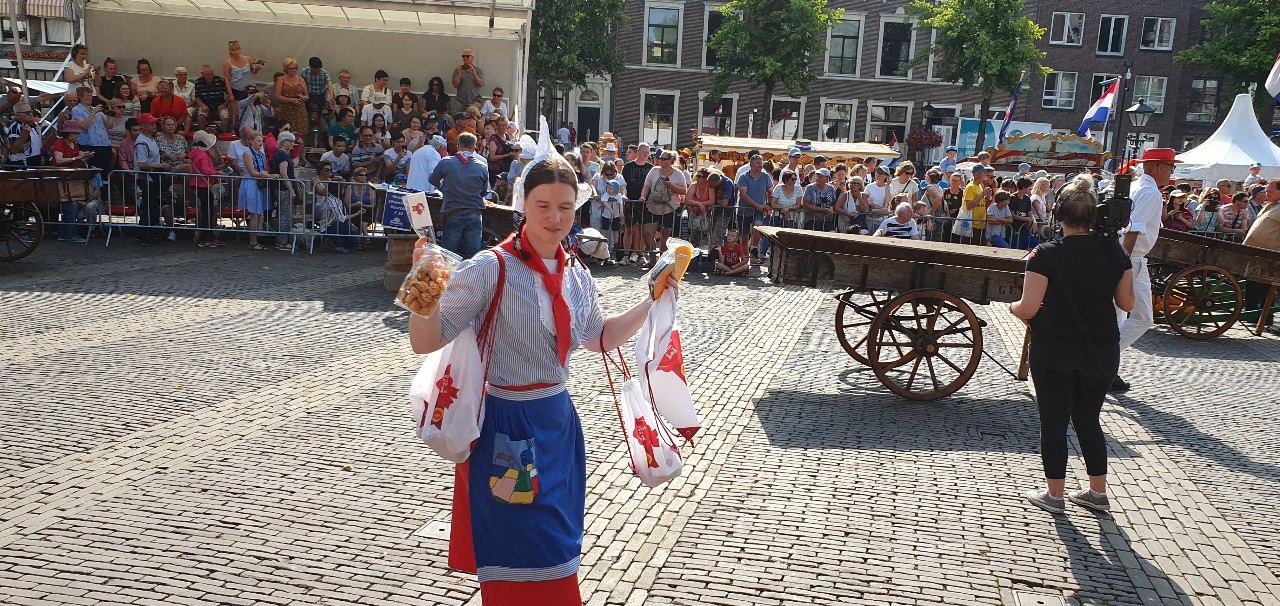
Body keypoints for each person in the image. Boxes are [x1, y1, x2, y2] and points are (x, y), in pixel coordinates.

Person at [408, 124, 670, 603]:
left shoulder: (576, 273)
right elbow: (425, 342)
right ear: (522, 205)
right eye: (543, 205)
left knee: (559, 545)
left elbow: (598, 337)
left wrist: (651, 301)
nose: (555, 217)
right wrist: (424, 280)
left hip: (558, 424)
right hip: (506, 426)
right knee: (522, 548)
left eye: (565, 207)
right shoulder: (490, 268)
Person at [1010, 174, 1135, 515]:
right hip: (1101, 347)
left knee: (1054, 421)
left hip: (1055, 346)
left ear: (1058, 214)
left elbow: (1028, 308)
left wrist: (1012, 308)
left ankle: (1055, 495)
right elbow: (1127, 304)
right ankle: (1097, 492)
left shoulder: (1044, 254)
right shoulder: (1115, 252)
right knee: (1089, 419)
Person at [1113, 148, 1180, 392]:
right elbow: (1133, 230)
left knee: (1118, 316)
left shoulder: (1134, 187)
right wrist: (1122, 265)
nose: (1173, 172)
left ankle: (1106, 368)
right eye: (1171, 167)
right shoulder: (1150, 193)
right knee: (1142, 318)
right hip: (1131, 259)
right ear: (1158, 167)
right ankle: (1103, 361)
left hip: (1125, 256)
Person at [430, 131, 490, 258]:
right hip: (474, 213)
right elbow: (484, 192)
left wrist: (443, 188)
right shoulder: (482, 167)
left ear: (458, 145)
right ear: (474, 147)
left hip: (453, 212)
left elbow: (432, 179)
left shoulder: (446, 162)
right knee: (474, 254)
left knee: (449, 255)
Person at [638, 149, 688, 265]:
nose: (660, 160)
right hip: (652, 207)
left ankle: (662, 262)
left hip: (669, 208)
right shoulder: (654, 170)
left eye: (664, 159)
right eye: (660, 158)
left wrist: (671, 185)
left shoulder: (678, 174)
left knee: (665, 236)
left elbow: (684, 191)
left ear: (671, 161)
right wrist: (643, 196)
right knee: (647, 233)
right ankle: (652, 260)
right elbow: (647, 185)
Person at [131, 113, 169, 245]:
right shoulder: (142, 142)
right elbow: (142, 164)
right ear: (143, 126)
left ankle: (142, 233)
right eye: (151, 123)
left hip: (152, 177)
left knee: (151, 205)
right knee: (149, 206)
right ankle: (146, 236)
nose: (154, 125)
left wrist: (162, 160)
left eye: (154, 122)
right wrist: (161, 165)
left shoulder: (150, 140)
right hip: (146, 178)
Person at [49, 123, 90, 241]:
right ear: (68, 133)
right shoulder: (60, 143)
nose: (77, 135)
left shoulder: (74, 144)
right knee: (70, 205)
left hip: (71, 178)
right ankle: (70, 234)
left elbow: (76, 161)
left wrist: (84, 157)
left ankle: (65, 233)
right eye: (74, 133)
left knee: (72, 205)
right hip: (60, 178)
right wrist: (76, 158)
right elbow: (58, 160)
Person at [237, 132, 277, 250]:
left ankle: (255, 240)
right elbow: (252, 172)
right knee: (254, 213)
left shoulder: (261, 154)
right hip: (251, 183)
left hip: (259, 184)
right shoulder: (247, 153)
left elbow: (264, 169)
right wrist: (267, 175)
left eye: (261, 141)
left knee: (259, 213)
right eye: (258, 141)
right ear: (251, 141)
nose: (261, 143)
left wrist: (266, 174)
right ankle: (253, 242)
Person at [188, 130, 226, 248]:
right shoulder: (203, 155)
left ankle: (205, 237)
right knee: (207, 212)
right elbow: (206, 170)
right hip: (204, 185)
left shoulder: (196, 153)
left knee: (206, 212)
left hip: (199, 184)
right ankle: (206, 237)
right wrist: (218, 173)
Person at [735, 154, 774, 259]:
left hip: (759, 210)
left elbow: (771, 191)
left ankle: (754, 248)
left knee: (758, 226)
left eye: (761, 163)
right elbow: (743, 195)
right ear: (751, 164)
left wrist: (769, 204)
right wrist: (756, 205)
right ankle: (744, 259)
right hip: (744, 211)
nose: (760, 165)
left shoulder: (766, 176)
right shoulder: (743, 177)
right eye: (758, 163)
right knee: (744, 238)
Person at [273, 131, 303, 247]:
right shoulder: (282, 155)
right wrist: (291, 189)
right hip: (283, 189)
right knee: (284, 215)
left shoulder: (283, 155)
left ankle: (283, 240)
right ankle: (282, 241)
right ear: (283, 142)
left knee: (285, 214)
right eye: (289, 141)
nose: (292, 143)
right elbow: (284, 174)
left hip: (283, 188)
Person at [224, 40, 266, 118]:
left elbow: (253, 72)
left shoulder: (248, 59)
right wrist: (230, 94)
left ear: (240, 49)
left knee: (254, 108)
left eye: (237, 49)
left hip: (250, 88)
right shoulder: (227, 63)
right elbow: (227, 79)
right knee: (239, 112)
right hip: (237, 90)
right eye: (233, 50)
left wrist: (257, 69)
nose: (236, 52)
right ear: (230, 51)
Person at [274, 59, 309, 140]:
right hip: (286, 110)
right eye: (291, 68)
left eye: (295, 68)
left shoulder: (301, 79)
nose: (294, 70)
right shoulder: (281, 80)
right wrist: (291, 100)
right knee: (285, 132)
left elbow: (307, 96)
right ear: (286, 69)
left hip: (299, 111)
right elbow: (278, 96)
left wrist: (303, 97)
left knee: (300, 134)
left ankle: (299, 147)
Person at [5, 103, 47, 168]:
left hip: (34, 162)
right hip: (23, 164)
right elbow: (14, 150)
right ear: (18, 116)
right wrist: (24, 134)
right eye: (27, 113)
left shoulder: (33, 125)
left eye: (31, 112)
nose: (30, 114)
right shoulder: (15, 127)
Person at [193, 65, 231, 133]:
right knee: (201, 116)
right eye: (207, 75)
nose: (210, 76)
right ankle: (201, 133)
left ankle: (224, 134)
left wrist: (224, 104)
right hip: (205, 105)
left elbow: (230, 95)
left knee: (225, 116)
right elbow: (197, 97)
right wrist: (202, 105)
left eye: (211, 74)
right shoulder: (198, 82)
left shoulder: (220, 80)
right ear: (202, 74)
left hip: (219, 105)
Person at [800, 168, 838, 232]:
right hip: (811, 220)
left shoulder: (831, 188)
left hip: (826, 221)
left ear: (827, 178)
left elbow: (833, 202)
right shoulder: (810, 188)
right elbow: (805, 205)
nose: (817, 178)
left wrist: (831, 208)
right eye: (817, 176)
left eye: (820, 177)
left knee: (832, 234)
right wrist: (822, 210)